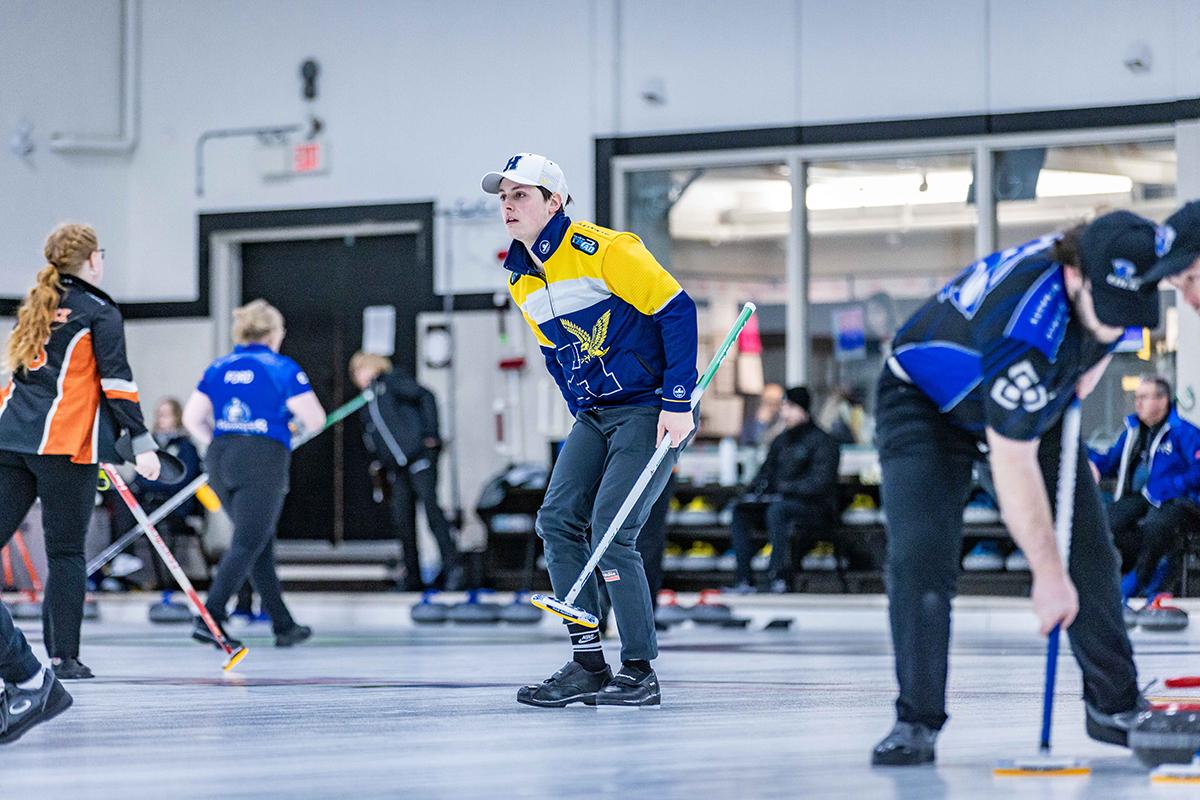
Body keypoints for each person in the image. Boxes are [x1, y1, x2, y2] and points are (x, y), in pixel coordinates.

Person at [870, 211, 1164, 766]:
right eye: (1108, 314)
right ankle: (917, 720)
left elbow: (1102, 333)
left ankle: (1115, 706)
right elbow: (1012, 461)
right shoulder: (1023, 324)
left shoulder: (1113, 267)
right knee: (922, 557)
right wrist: (1047, 576)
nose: (1115, 328)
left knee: (1089, 548)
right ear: (1074, 277)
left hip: (1034, 394)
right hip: (927, 401)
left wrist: (1086, 366)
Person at [482, 152, 698, 707]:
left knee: (611, 531)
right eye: (503, 197)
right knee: (556, 521)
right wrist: (578, 404)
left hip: (648, 406)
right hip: (596, 413)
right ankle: (587, 663)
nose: (508, 205)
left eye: (521, 195)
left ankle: (639, 669)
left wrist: (678, 399)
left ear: (554, 201)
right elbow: (554, 353)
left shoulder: (606, 249)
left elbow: (677, 310)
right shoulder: (521, 278)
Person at [0, 223, 160, 685]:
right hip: (66, 446)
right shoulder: (99, 310)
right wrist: (141, 442)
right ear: (91, 259)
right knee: (67, 553)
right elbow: (117, 382)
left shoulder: (37, 302)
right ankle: (63, 659)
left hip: (10, 439)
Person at [182, 299, 325, 649]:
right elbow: (316, 419)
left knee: (257, 540)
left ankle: (283, 625)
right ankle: (210, 616)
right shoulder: (281, 367)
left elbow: (191, 418)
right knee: (248, 541)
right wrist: (290, 429)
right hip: (261, 459)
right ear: (274, 334)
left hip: (220, 457)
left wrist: (220, 440)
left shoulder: (219, 367)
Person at [348, 351, 461, 591]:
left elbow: (426, 395)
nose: (357, 376)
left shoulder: (392, 382)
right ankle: (412, 576)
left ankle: (453, 568)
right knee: (402, 520)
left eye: (360, 369)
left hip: (419, 457)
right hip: (396, 468)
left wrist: (431, 435)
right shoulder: (367, 401)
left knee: (432, 512)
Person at [1088, 376, 1200, 597]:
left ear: (1162, 400)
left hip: (1179, 502)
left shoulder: (1183, 431)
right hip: (1144, 498)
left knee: (1157, 523)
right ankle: (1132, 574)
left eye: (1144, 397)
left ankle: (1143, 580)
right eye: (1137, 397)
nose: (1137, 403)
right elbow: (1110, 461)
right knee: (1108, 520)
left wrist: (1173, 485)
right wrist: (1088, 460)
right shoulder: (1133, 432)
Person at [728, 386, 840, 593]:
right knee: (740, 511)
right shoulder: (781, 441)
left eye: (790, 407)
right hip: (778, 502)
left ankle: (776, 576)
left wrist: (785, 489)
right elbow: (765, 473)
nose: (784, 413)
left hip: (813, 508)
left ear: (802, 409)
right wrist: (753, 494)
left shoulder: (823, 442)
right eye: (783, 407)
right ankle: (744, 579)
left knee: (778, 511)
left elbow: (820, 483)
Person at [108, 397, 203, 589]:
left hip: (174, 505)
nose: (162, 420)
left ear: (177, 417)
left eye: (167, 415)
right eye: (160, 415)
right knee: (121, 498)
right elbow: (140, 478)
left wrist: (152, 480)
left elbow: (180, 480)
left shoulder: (186, 447)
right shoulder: (149, 446)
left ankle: (150, 572)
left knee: (143, 510)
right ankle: (123, 557)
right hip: (150, 502)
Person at [740, 382, 785, 447]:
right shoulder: (752, 423)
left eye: (777, 401)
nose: (773, 405)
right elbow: (751, 442)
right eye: (769, 400)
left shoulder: (782, 422)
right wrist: (761, 421)